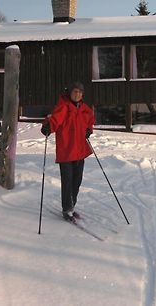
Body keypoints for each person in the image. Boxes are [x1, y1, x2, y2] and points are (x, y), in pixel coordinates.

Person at [41, 81, 95, 222]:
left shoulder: (84, 108)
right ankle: (67, 209)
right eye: (75, 91)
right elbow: (55, 120)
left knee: (77, 181)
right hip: (66, 151)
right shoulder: (63, 107)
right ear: (70, 93)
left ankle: (72, 206)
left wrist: (89, 129)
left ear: (82, 95)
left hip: (80, 151)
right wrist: (47, 127)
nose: (77, 94)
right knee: (67, 181)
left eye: (80, 92)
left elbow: (90, 119)